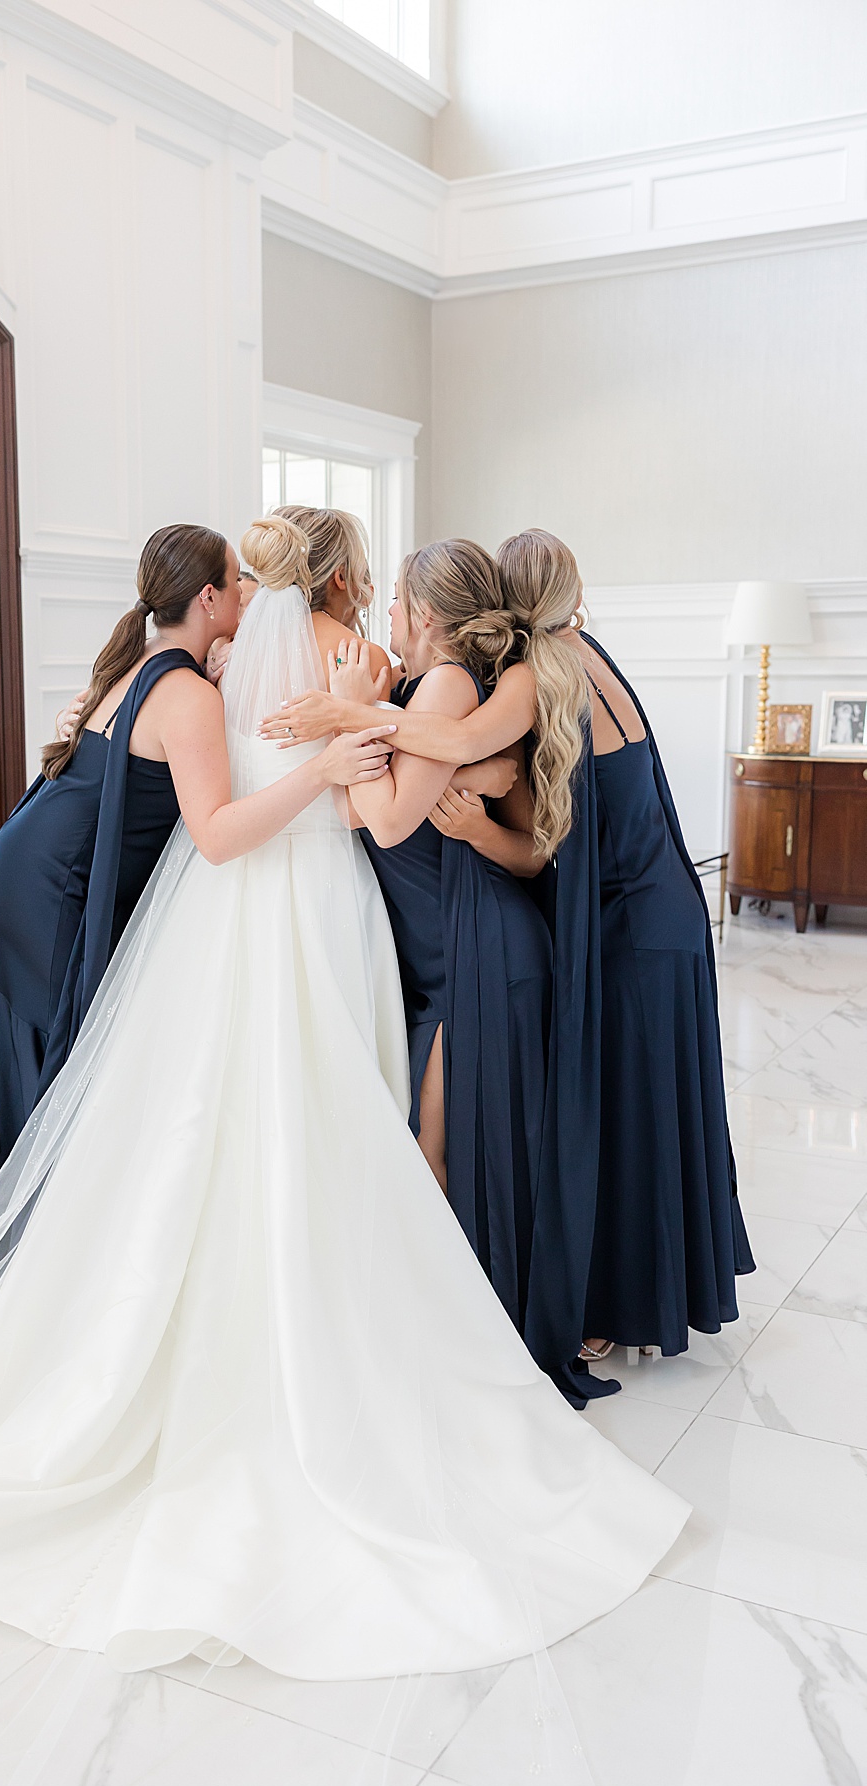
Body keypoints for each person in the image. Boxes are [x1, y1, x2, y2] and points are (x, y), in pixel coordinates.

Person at [0, 516, 688, 1682]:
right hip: (317, 899)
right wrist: (356, 750)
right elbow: (355, 811)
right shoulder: (350, 659)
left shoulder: (235, 663)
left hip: (244, 912)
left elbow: (239, 802)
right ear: (344, 581)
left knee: (218, 1122)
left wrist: (357, 747)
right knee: (319, 1117)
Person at [260, 530, 750, 1365]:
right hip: (651, 912)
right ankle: (632, 1301)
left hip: (633, 922)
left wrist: (349, 712)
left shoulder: (539, 668)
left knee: (633, 1117)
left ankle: (616, 1308)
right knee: (648, 1115)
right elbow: (486, 775)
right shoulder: (578, 654)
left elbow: (454, 748)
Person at [0, 523, 396, 1236]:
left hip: (24, 862)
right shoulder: (187, 691)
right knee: (61, 1072)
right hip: (58, 884)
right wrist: (324, 767)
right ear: (211, 597)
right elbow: (215, 836)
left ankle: (31, 1238)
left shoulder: (150, 658)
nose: (251, 592)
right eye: (238, 580)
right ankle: (40, 1243)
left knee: (35, 1069)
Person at [343, 539, 605, 1404]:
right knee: (456, 1147)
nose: (383, 617)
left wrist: (345, 718)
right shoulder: (420, 699)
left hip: (484, 956)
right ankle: (465, 1318)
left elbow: (529, 849)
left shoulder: (453, 693)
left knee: (446, 1146)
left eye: (395, 605)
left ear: (424, 614)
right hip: (450, 959)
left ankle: (476, 1328)